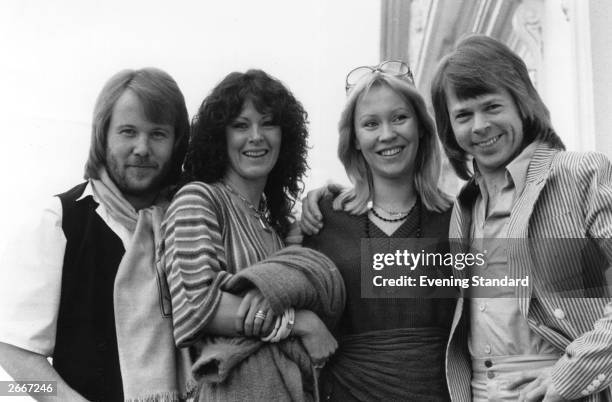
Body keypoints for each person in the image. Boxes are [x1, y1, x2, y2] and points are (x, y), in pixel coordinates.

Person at [430, 35, 612, 401]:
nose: (480, 125)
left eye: (492, 107)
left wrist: (569, 376)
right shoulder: (462, 207)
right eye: (463, 115)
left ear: (521, 103)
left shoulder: (581, 174)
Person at [0, 68, 192, 401]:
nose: (142, 148)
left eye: (158, 134)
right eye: (128, 132)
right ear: (102, 137)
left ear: (177, 142)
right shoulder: (60, 221)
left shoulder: (190, 218)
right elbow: (12, 351)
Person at [159, 69, 345, 401]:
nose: (256, 136)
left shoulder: (275, 225)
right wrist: (298, 322)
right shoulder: (199, 199)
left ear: (285, 136)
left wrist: (326, 203)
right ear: (220, 137)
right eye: (241, 125)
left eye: (269, 123)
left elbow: (309, 277)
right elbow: (197, 309)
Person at [300, 61, 456, 401]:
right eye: (371, 124)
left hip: (439, 391)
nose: (387, 134)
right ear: (354, 139)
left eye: (399, 117)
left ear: (422, 128)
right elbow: (285, 290)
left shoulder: (459, 218)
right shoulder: (323, 218)